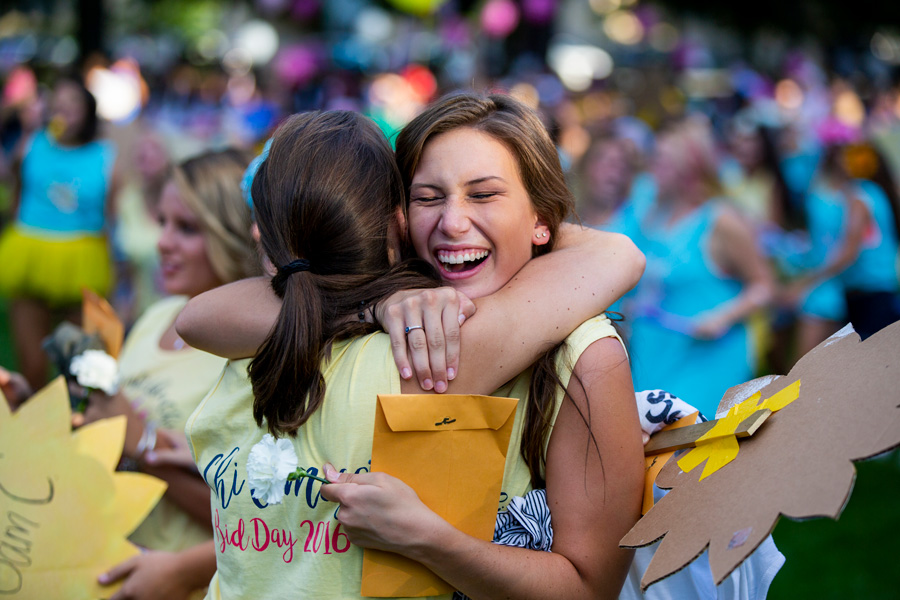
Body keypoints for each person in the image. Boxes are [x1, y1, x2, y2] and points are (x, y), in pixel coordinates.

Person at [177, 98, 646, 599]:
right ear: (398, 220)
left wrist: (430, 540)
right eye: (428, 198)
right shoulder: (353, 328)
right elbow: (209, 314)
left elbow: (591, 589)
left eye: (485, 194)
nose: (453, 222)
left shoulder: (585, 355)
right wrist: (375, 304)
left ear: (541, 217)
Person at [81, 148, 261, 600]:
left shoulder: (253, 351)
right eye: (161, 222)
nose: (162, 242)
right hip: (108, 563)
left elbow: (259, 520)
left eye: (186, 228)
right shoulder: (157, 315)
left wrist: (140, 440)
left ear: (233, 235)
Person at [622, 117, 774, 418]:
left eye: (662, 161)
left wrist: (722, 316)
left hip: (706, 358)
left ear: (688, 170)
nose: (653, 168)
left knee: (698, 456)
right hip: (655, 354)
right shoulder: (652, 214)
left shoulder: (720, 220)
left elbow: (765, 285)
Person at [0, 76, 119, 390]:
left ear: (89, 112)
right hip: (30, 251)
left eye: (73, 104)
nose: (64, 111)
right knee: (32, 362)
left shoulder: (106, 154)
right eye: (58, 104)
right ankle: (31, 428)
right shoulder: (32, 142)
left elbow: (111, 213)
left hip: (81, 256)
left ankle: (76, 426)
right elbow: (16, 194)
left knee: (79, 363)